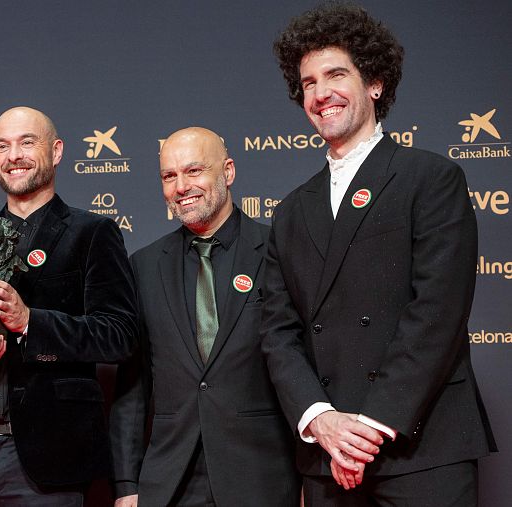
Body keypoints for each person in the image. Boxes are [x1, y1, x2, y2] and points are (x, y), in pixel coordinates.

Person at [263, 3, 496, 505]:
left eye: (335, 74)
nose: (320, 93)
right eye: (307, 83)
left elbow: (437, 312)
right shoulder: (290, 211)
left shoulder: (430, 178)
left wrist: (369, 429)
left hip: (422, 448)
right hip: (327, 457)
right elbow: (278, 333)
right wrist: (320, 420)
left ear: (375, 83)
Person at [0, 106, 138, 505]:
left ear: (56, 152)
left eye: (27, 142)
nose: (13, 155)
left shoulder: (92, 233)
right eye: (1, 146)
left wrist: (28, 322)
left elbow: (119, 334)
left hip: (51, 460)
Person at [110, 127, 300, 506]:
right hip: (171, 481)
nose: (181, 186)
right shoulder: (144, 266)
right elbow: (133, 387)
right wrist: (128, 484)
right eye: (170, 176)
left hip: (262, 477)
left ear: (227, 172)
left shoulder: (279, 253)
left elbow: (304, 366)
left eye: (194, 171)